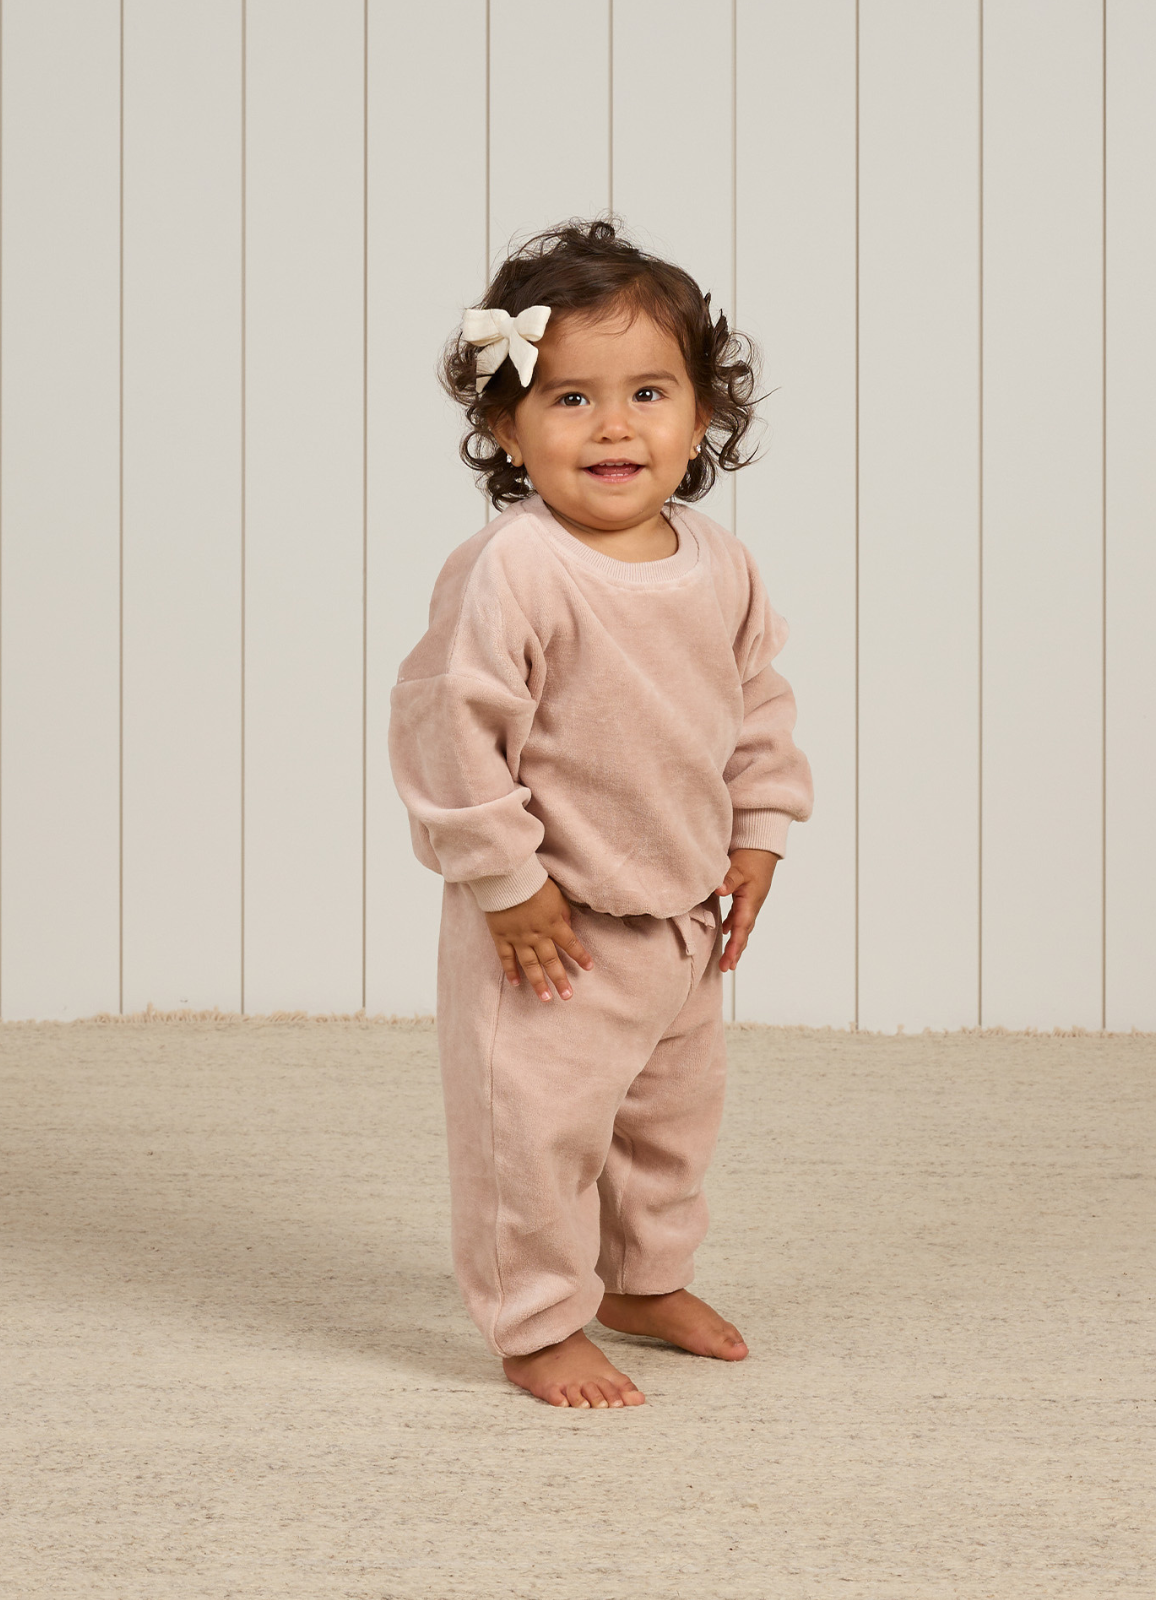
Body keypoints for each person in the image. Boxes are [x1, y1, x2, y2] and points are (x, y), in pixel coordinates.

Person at [388, 216, 813, 1409]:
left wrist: (759, 831)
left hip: (682, 918)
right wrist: (506, 880)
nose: (615, 425)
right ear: (505, 425)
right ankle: (534, 1317)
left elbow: (757, 706)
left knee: (667, 1128)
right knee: (537, 1133)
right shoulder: (515, 568)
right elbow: (446, 727)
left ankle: (641, 1276)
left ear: (702, 417)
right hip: (553, 933)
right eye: (570, 399)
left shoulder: (718, 564)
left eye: (648, 391)